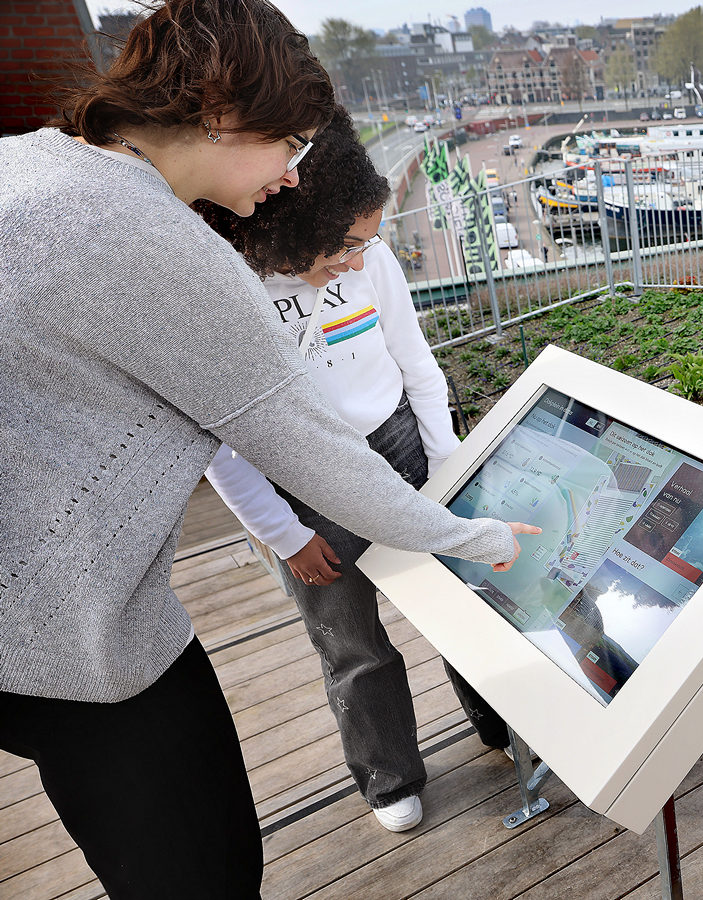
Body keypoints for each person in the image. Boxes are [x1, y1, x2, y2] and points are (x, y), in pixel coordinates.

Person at [0, 2, 536, 897]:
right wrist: (482, 539)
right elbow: (314, 453)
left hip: (29, 624)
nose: (292, 174)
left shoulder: (25, 161)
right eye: (288, 143)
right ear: (218, 112)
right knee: (200, 867)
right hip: (75, 633)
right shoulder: (154, 241)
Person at [200, 107, 511, 833]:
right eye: (344, 244)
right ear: (288, 226)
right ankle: (388, 777)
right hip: (301, 486)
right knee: (350, 643)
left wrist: (446, 463)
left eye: (369, 242)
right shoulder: (224, 293)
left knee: (461, 604)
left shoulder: (371, 260)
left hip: (398, 446)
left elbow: (416, 366)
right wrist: (280, 533)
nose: (360, 261)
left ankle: (499, 724)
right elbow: (219, 439)